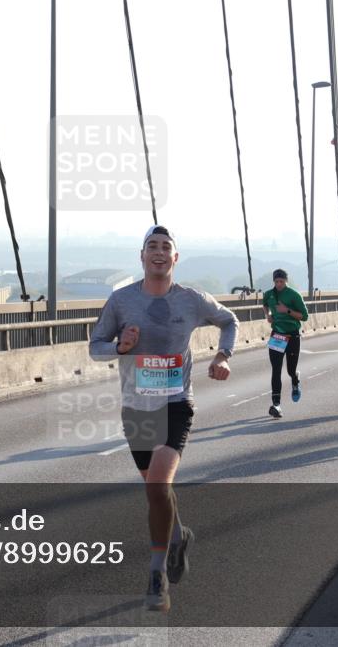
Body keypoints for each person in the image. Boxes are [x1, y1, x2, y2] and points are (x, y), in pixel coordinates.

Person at [89, 225, 238, 613]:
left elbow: (230, 321)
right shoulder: (121, 300)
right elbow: (95, 348)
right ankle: (178, 535)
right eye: (151, 247)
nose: (158, 252)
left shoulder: (191, 300)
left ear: (175, 258)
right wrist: (118, 346)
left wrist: (224, 356)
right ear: (141, 257)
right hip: (136, 406)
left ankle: (157, 576)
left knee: (157, 484)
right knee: (156, 491)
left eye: (165, 247)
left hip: (176, 403)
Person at [262, 269, 310, 418]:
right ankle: (276, 405)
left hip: (292, 336)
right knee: (276, 370)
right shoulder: (269, 294)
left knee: (290, 370)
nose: (279, 284)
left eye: (281, 281)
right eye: (276, 282)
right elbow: (265, 304)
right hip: (277, 335)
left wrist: (287, 310)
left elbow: (304, 316)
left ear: (286, 281)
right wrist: (268, 315)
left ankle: (295, 379)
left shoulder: (294, 295)